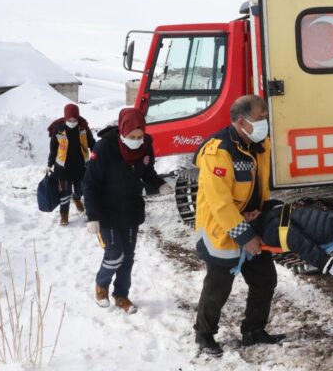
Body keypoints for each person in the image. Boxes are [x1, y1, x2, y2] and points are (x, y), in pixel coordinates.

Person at [192, 95, 285, 356]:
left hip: (253, 221)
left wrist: (263, 215)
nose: (265, 123)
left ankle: (254, 331)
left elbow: (259, 185)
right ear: (242, 122)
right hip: (222, 228)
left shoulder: (259, 144)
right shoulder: (218, 151)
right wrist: (245, 236)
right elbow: (219, 202)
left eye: (265, 118)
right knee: (218, 286)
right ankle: (204, 334)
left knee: (265, 280)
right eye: (260, 118)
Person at [83, 108, 173, 314]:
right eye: (132, 137)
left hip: (131, 210)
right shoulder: (104, 147)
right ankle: (101, 285)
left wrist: (158, 184)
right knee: (115, 254)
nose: (136, 140)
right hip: (106, 212)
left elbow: (147, 172)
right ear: (122, 132)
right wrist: (92, 215)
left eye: (140, 136)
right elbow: (90, 183)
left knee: (128, 256)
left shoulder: (146, 146)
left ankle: (121, 295)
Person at [47, 103, 95, 226]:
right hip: (63, 168)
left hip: (81, 167)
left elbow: (92, 144)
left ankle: (77, 198)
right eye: (70, 120)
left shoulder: (83, 128)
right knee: (65, 192)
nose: (72, 122)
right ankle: (64, 214)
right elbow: (53, 149)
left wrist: (98, 155)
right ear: (65, 118)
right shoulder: (58, 130)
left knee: (81, 190)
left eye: (75, 119)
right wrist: (49, 164)